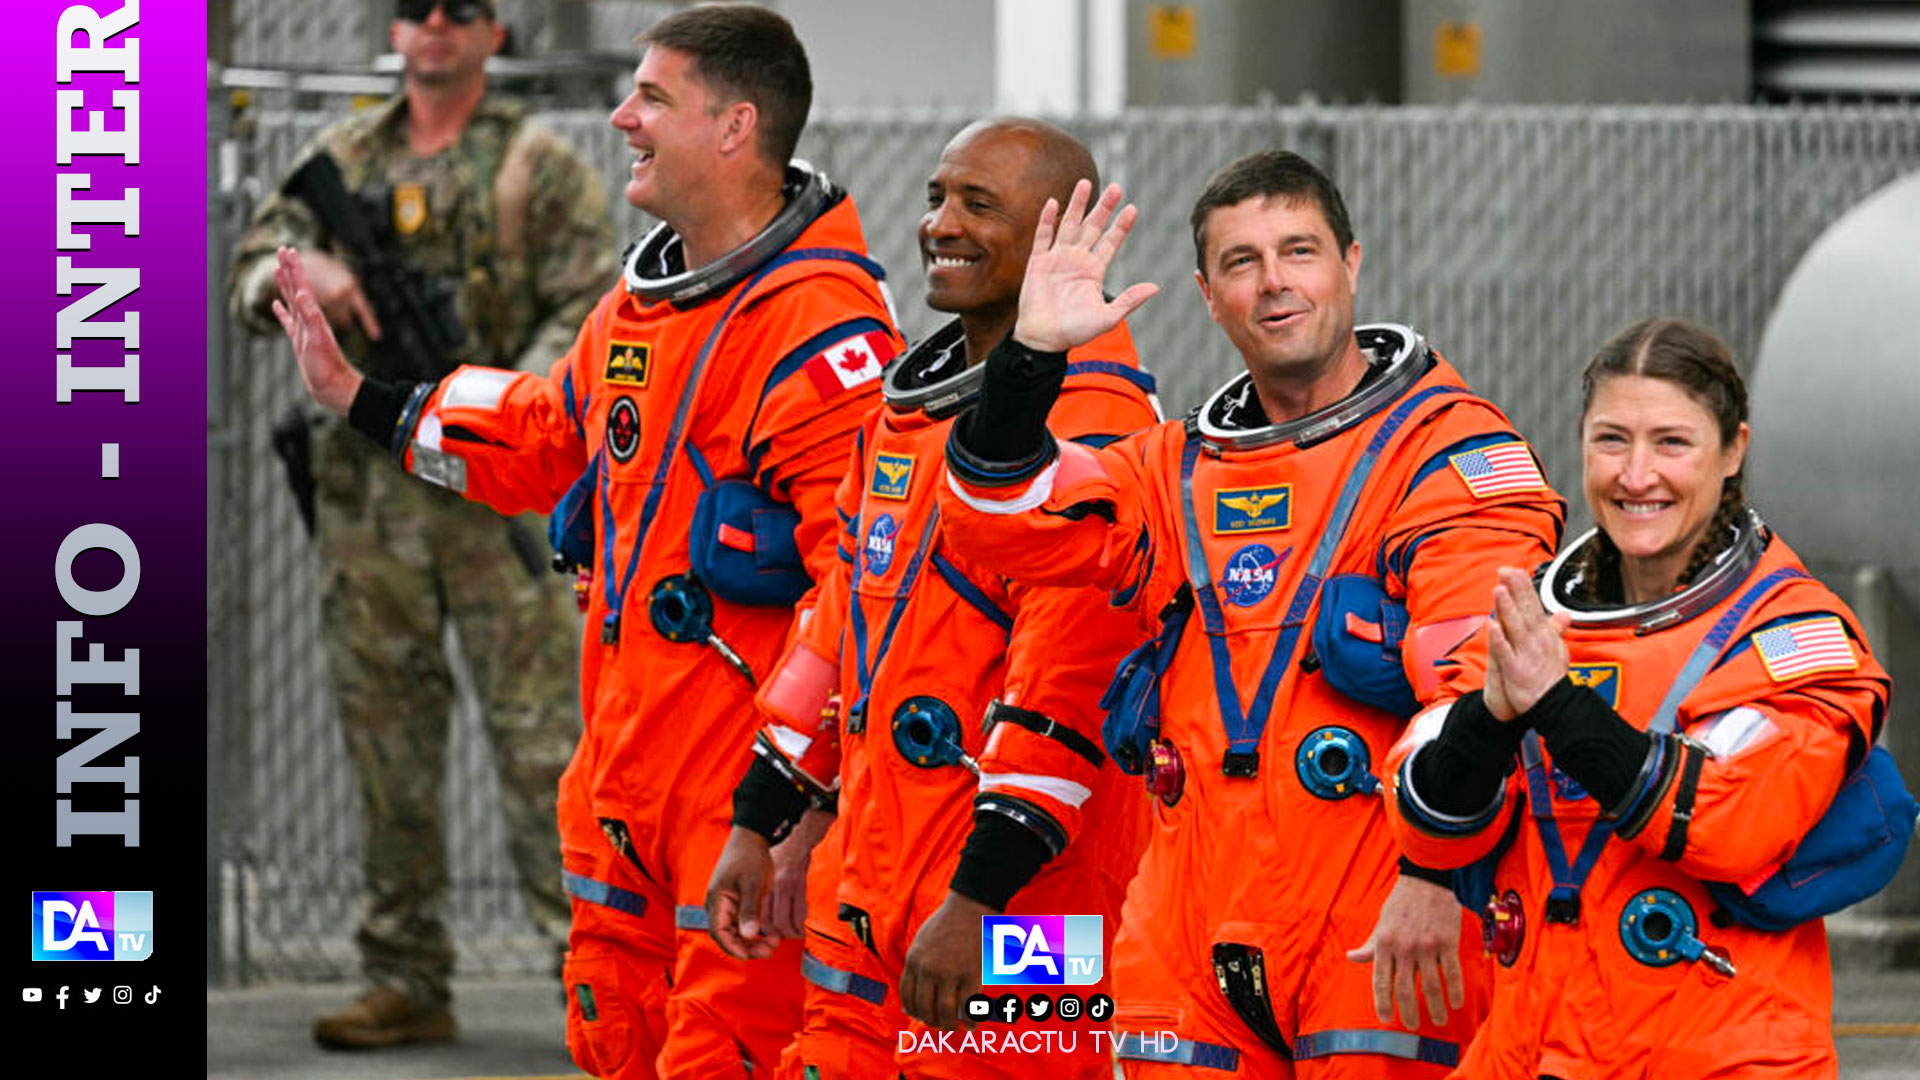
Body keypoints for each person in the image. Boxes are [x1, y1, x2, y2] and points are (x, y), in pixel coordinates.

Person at [269, 6, 901, 1077]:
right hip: (625, 779)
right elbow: (547, 435)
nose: (623, 117)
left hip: (735, 798)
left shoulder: (820, 330)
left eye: (651, 98)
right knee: (615, 1039)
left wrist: (793, 802)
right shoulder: (645, 305)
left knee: (727, 1053)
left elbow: (860, 594)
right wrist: (362, 399)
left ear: (735, 126)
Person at [938, 152, 1569, 1077]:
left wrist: (1433, 874)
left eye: (1298, 251)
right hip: (1186, 924)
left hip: (1373, 915)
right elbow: (999, 519)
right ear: (1207, 294)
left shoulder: (1448, 455)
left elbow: (1478, 686)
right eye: (1242, 262)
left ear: (1350, 262)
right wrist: (1032, 360)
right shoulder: (1172, 467)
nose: (1274, 283)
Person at [703, 117, 1160, 1079]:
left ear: (1050, 235)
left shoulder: (1098, 423)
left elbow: (1069, 686)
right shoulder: (909, 408)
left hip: (1023, 908)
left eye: (977, 204)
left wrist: (977, 900)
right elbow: (839, 628)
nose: (940, 224)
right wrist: (761, 818)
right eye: (936, 198)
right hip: (873, 884)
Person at [226, 0, 610, 1049]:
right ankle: (405, 971)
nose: (436, 28)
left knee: (547, 750)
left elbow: (589, 309)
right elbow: (250, 274)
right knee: (387, 745)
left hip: (496, 495)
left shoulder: (540, 166)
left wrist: (495, 405)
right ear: (394, 34)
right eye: (415, 12)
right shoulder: (337, 155)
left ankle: (593, 975)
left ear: (495, 35)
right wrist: (309, 280)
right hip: (375, 505)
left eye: (463, 12)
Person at [1385, 318, 1893, 1079]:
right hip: (1532, 1046)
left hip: (1720, 1052)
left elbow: (1727, 819)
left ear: (1733, 451)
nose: (1636, 474)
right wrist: (1488, 716)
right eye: (1612, 440)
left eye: (1672, 443)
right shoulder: (1538, 616)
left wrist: (1553, 704)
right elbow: (1420, 806)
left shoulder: (1791, 634)